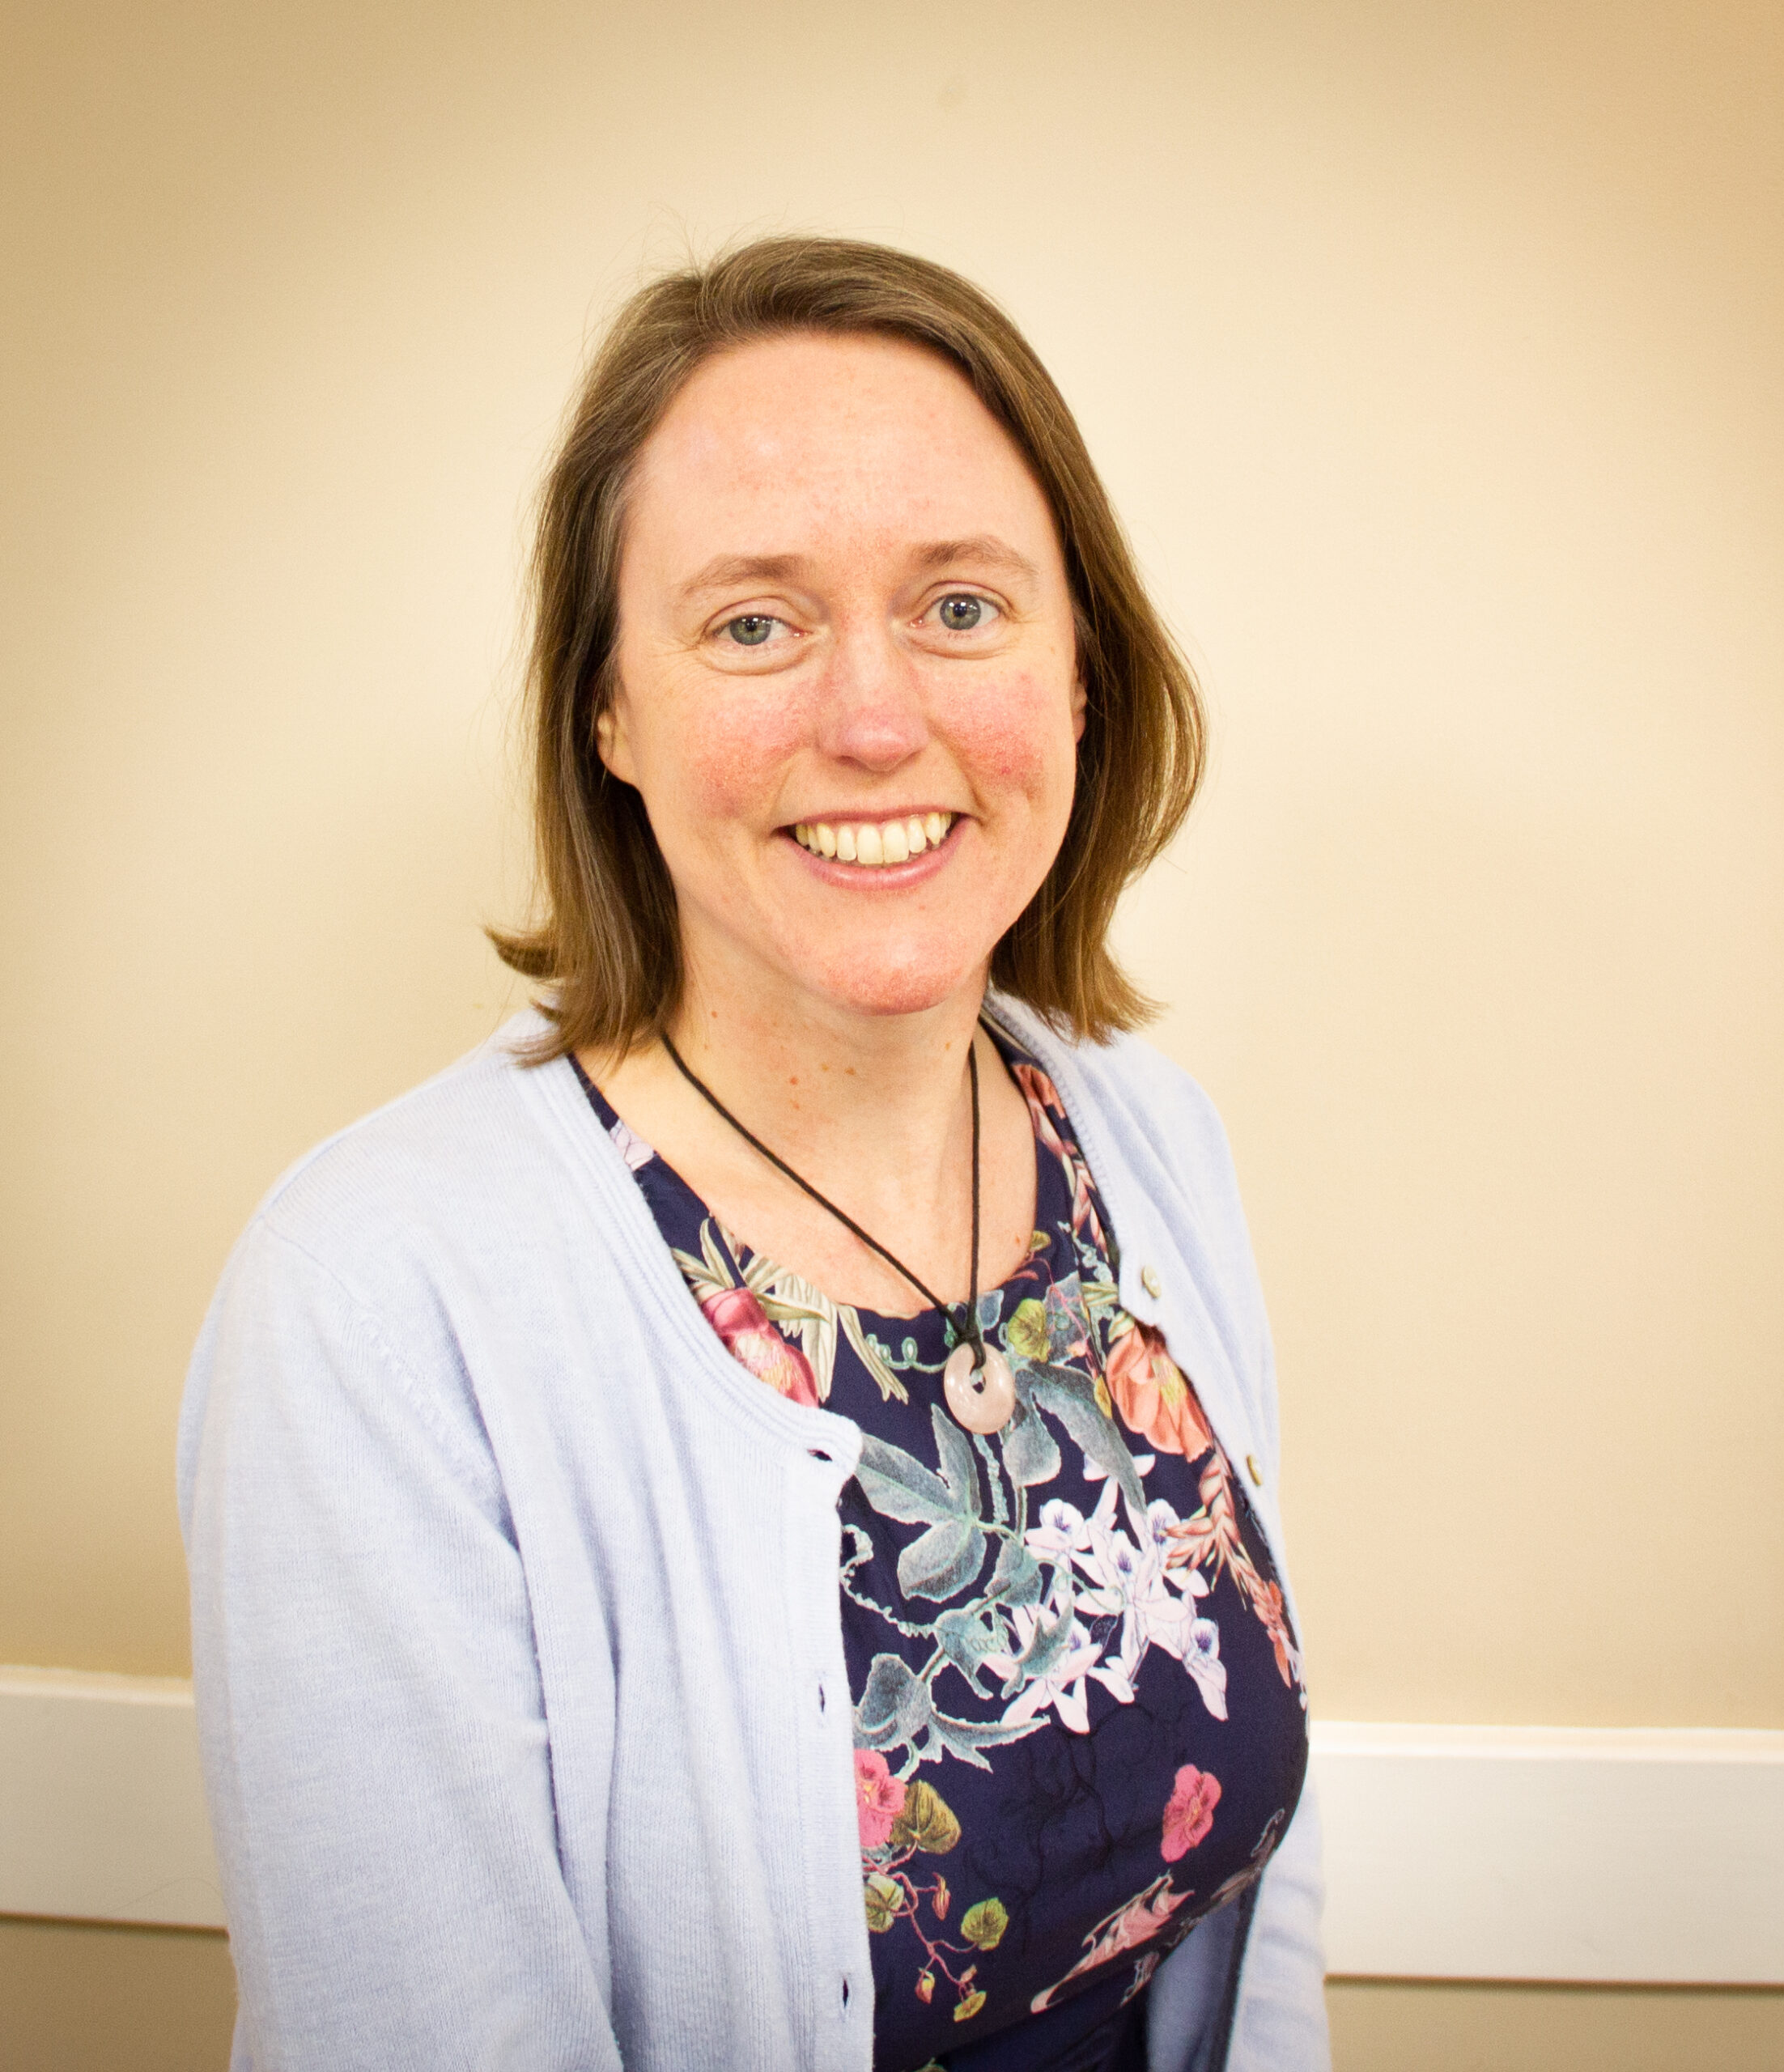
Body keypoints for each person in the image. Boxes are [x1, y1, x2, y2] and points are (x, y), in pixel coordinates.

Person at [179, 236, 1327, 2072]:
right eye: (753, 622)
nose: (877, 720)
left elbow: (1266, 1916)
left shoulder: (1146, 1140)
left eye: (963, 606)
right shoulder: (379, 1304)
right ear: (608, 713)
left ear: (1083, 675)